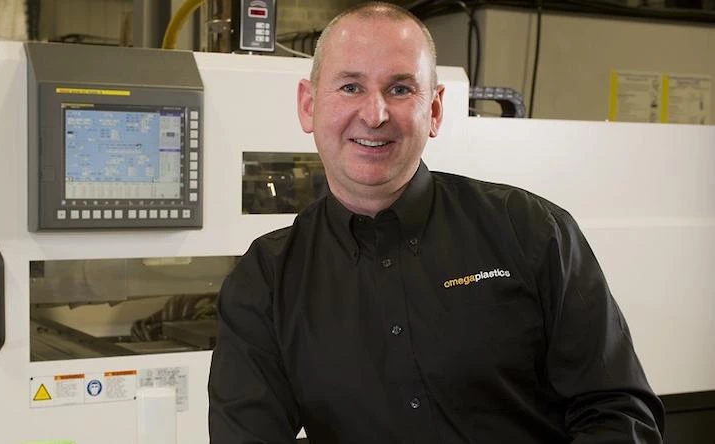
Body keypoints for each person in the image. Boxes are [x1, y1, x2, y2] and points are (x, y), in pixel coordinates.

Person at [207, 2, 664, 443]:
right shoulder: (267, 280)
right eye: (350, 87)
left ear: (436, 109)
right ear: (308, 105)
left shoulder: (531, 230)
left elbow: (618, 412)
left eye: (400, 89)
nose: (375, 114)